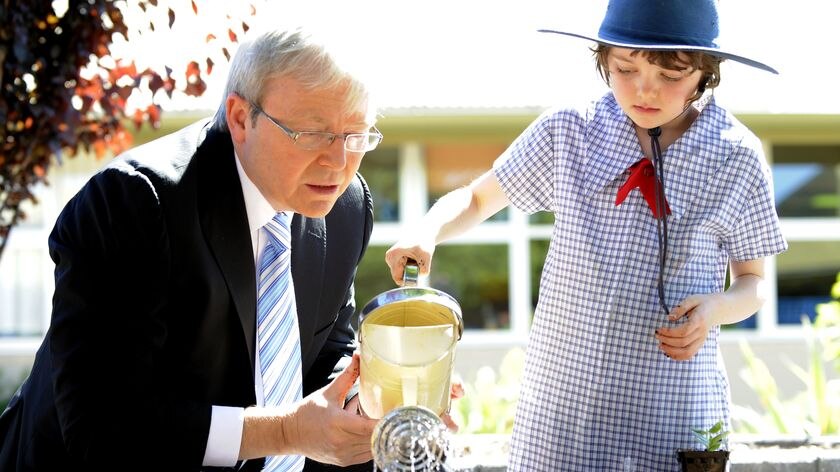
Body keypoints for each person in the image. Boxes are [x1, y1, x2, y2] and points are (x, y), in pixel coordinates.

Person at [384, 1, 787, 470]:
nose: (644, 90)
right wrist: (427, 228)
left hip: (674, 406)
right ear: (603, 59)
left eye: (670, 75)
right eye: (624, 68)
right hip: (562, 412)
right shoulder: (569, 130)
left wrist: (717, 309)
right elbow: (477, 199)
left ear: (704, 72)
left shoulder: (736, 156)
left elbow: (753, 281)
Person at [0, 26, 382, 471]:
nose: (338, 163)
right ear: (241, 118)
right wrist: (286, 431)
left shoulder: (347, 206)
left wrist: (371, 399)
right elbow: (104, 425)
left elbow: (326, 349)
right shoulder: (136, 202)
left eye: (357, 136)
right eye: (314, 135)